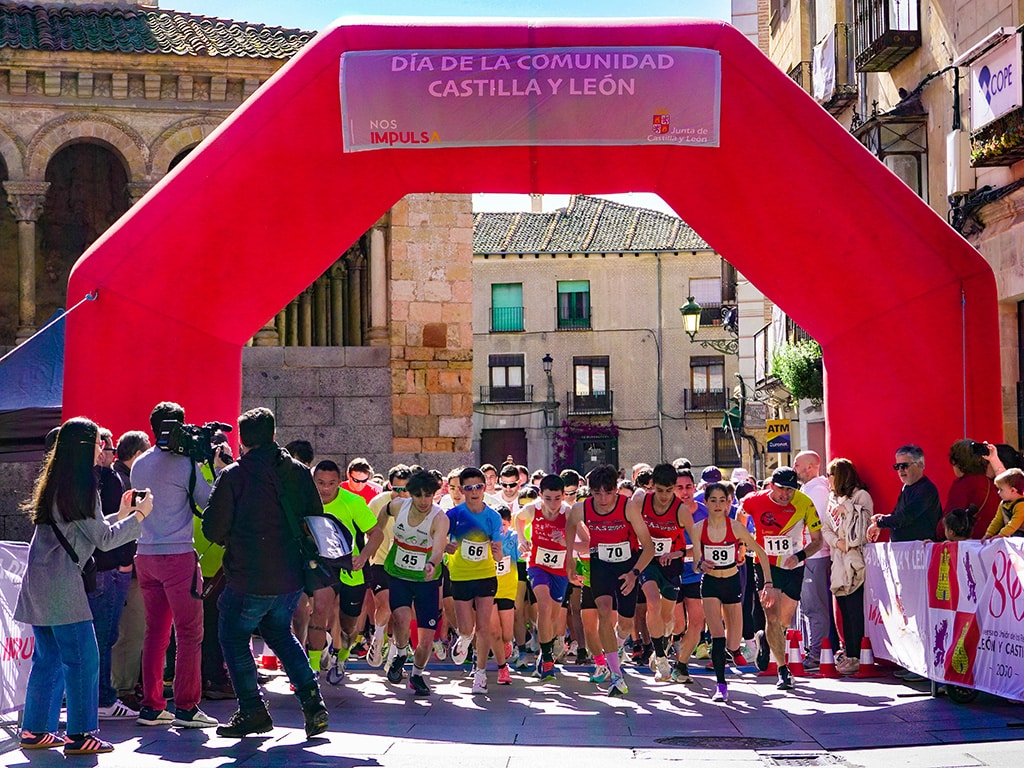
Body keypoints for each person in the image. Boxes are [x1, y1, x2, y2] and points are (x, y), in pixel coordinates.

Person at [16, 417, 151, 755]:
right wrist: (139, 517)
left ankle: (35, 729)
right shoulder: (83, 485)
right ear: (83, 447)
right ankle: (81, 734)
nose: (102, 449)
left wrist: (120, 514)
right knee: (84, 659)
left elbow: (89, 531)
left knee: (48, 658)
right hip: (63, 586)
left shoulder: (57, 481)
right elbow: (103, 541)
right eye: (97, 443)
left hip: (41, 581)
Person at [202, 407, 328, 738]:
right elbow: (315, 516)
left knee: (233, 635)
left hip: (248, 574)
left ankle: (252, 710)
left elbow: (213, 528)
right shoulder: (299, 471)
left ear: (242, 441)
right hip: (289, 575)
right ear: (274, 435)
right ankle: (313, 702)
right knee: (280, 633)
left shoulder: (233, 475)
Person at [130, 401, 224, 728]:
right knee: (188, 633)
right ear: (181, 428)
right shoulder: (185, 463)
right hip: (178, 556)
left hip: (145, 554)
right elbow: (207, 502)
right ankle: (186, 706)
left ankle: (152, 706)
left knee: (155, 633)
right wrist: (216, 468)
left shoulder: (138, 463)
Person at [742, 466, 822, 691]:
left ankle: (765, 639)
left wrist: (799, 556)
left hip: (793, 565)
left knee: (784, 622)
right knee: (773, 617)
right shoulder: (754, 500)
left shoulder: (804, 502)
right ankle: (782, 670)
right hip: (766, 566)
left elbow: (818, 541)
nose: (785, 495)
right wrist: (744, 542)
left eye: (790, 490)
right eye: (780, 490)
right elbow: (741, 515)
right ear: (770, 486)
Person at [579, 464, 655, 696]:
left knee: (625, 624)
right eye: (597, 493)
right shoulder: (581, 508)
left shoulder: (628, 507)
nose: (603, 498)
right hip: (600, 564)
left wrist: (634, 574)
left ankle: (618, 644)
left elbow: (649, 548)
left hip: (626, 566)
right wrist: (571, 566)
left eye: (608, 492)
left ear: (616, 491)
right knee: (603, 610)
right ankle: (616, 675)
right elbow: (571, 531)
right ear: (590, 492)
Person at [373, 469, 449, 695]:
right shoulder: (400, 506)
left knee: (426, 638)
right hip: (398, 573)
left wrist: (432, 564)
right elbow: (384, 512)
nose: (424, 501)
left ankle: (416, 674)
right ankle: (401, 652)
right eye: (419, 496)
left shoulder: (439, 518)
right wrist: (375, 531)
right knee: (401, 617)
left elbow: (438, 548)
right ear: (411, 494)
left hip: (426, 579)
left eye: (428, 495)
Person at [696, 482, 771, 702]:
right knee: (718, 636)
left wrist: (767, 582)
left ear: (729, 503)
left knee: (732, 641)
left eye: (723, 500)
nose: (718, 505)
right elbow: (694, 562)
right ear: (706, 503)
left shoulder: (736, 527)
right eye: (713, 500)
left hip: (732, 583)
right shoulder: (698, 528)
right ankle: (721, 685)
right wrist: (700, 565)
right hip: (710, 584)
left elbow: (761, 554)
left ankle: (741, 647)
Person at [309, 459, 382, 682]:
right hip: (321, 565)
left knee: (349, 625)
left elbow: (376, 533)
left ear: (339, 483)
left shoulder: (354, 502)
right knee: (319, 609)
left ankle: (341, 657)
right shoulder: (305, 500)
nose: (325, 489)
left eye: (331, 483)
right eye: (320, 483)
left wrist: (363, 556)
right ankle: (312, 669)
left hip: (351, 566)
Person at [88, 428, 140, 720]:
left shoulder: (95, 479)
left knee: (98, 636)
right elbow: (103, 535)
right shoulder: (101, 479)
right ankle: (103, 698)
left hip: (98, 567)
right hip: (105, 568)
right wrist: (136, 518)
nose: (107, 452)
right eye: (104, 447)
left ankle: (95, 697)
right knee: (104, 636)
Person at [633, 463, 698, 682]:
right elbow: (628, 521)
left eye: (669, 491)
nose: (663, 496)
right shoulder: (642, 501)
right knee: (653, 602)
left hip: (671, 563)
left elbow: (695, 538)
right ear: (652, 486)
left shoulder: (680, 509)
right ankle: (661, 658)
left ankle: (663, 642)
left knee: (668, 617)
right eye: (659, 490)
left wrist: (692, 558)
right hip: (648, 560)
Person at [446, 466, 508, 694]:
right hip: (461, 575)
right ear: (462, 490)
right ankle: (463, 638)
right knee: (466, 628)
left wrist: (496, 552)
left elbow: (500, 553)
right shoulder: (453, 516)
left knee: (483, 627)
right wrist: (446, 546)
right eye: (469, 488)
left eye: (478, 487)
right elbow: (439, 541)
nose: (474, 492)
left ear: (485, 488)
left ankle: (480, 673)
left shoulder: (493, 517)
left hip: (485, 575)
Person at [515, 473, 583, 680]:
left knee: (553, 618)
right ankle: (546, 658)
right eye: (547, 498)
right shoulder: (532, 510)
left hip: (561, 570)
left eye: (557, 498)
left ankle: (545, 652)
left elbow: (588, 544)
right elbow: (518, 519)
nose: (552, 504)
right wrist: (521, 539)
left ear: (564, 496)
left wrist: (566, 542)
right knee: (543, 606)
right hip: (537, 566)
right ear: (540, 495)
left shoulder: (570, 514)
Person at [822, 458, 873, 676]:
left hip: (855, 560)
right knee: (843, 608)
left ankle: (858, 655)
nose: (828, 480)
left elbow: (863, 526)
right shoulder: (832, 498)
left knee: (855, 611)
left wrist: (848, 508)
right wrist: (836, 542)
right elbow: (825, 527)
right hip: (838, 561)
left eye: (830, 475)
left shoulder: (861, 496)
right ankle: (849, 653)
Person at [365, 465, 413, 669]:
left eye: (405, 489)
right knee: (384, 605)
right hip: (381, 561)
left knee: (400, 613)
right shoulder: (377, 502)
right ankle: (377, 639)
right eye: (396, 489)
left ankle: (393, 658)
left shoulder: (417, 505)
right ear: (389, 486)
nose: (400, 494)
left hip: (405, 566)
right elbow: (368, 529)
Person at [792, 450, 831, 674]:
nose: (795, 469)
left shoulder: (817, 490)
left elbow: (809, 521)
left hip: (814, 555)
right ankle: (813, 649)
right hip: (807, 554)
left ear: (810, 466)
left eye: (797, 464)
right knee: (808, 607)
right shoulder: (809, 488)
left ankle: (817, 652)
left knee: (815, 606)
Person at [867, 445, 943, 543]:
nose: (900, 470)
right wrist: (884, 518)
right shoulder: (906, 487)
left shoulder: (926, 489)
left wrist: (881, 522)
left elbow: (907, 516)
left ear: (920, 465)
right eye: (897, 466)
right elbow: (898, 514)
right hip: (905, 551)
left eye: (904, 466)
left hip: (920, 552)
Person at [943, 440, 1000, 538]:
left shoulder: (962, 485)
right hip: (993, 542)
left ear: (957, 462)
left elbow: (951, 519)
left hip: (969, 544)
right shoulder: (993, 483)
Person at [983, 468, 1024, 539]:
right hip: (1011, 536)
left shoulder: (1021, 505)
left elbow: (1014, 524)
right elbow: (998, 520)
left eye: (1001, 489)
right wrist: (989, 533)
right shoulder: (1003, 504)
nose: (998, 492)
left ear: (1012, 490)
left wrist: (1001, 535)